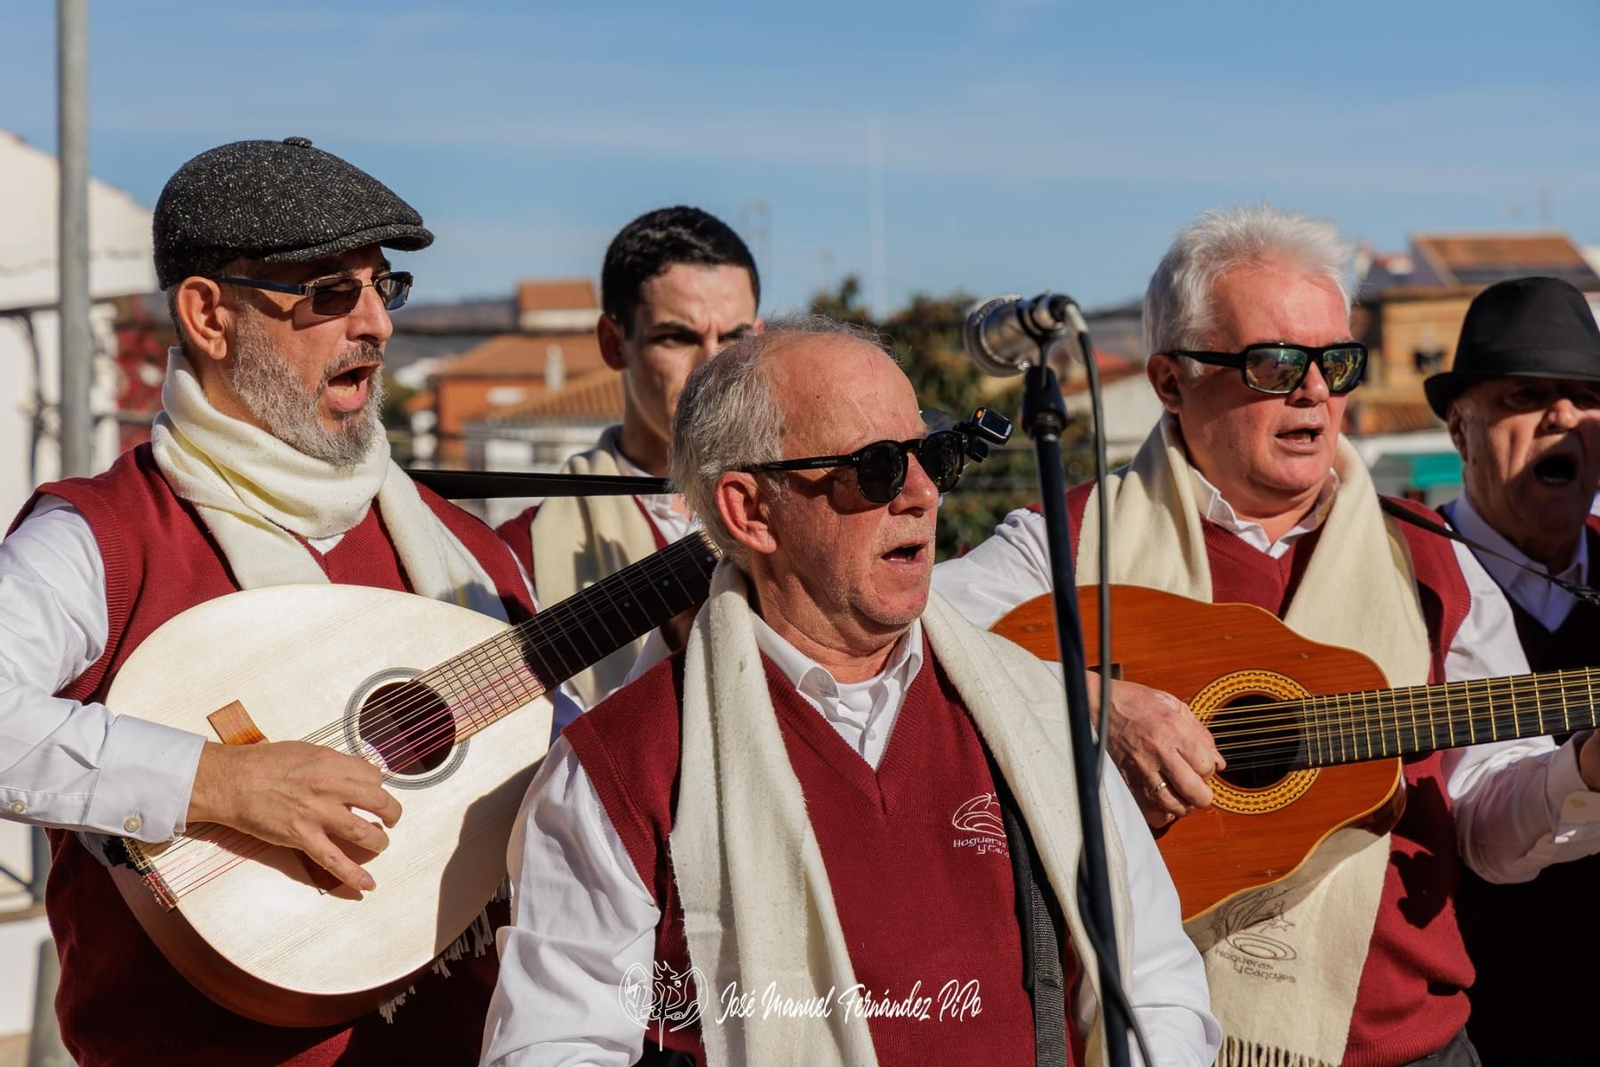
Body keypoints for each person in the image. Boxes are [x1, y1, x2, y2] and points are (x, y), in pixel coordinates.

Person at [934, 206, 1590, 1067]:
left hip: (1408, 1046)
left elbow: (1485, 828)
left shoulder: (1433, 562)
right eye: (1276, 363)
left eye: (1337, 362)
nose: (1315, 389)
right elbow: (912, 637)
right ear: (1170, 380)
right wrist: (1096, 702)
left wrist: (1582, 773)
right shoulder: (1064, 541)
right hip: (1161, 1042)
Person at [480, 317, 1220, 1067]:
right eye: (877, 469)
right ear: (749, 510)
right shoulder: (621, 766)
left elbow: (1154, 982)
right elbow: (554, 1046)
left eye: (933, 454)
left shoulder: (1040, 717)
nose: (925, 494)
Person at [0, 137, 575, 1066]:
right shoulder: (103, 538)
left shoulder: (465, 554)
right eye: (328, 293)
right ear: (208, 314)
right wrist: (216, 782)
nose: (376, 326)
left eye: (382, 288)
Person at [1425, 276, 1600, 1065]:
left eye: (1586, 394)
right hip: (1467, 1030)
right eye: (1526, 394)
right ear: (1459, 427)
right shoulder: (1395, 576)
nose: (1564, 416)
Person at [497, 206, 761, 705]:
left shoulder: (810, 505)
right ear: (613, 343)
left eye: (734, 338)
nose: (712, 366)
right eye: (676, 337)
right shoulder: (518, 558)